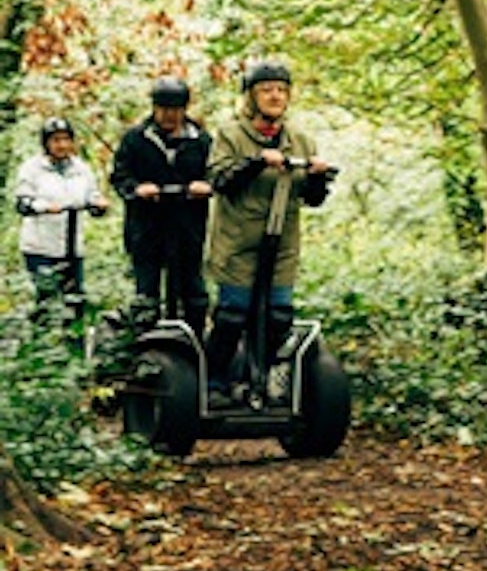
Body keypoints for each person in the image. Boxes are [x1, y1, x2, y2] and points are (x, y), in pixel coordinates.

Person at [203, 60, 333, 408]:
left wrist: (318, 176)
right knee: (232, 315)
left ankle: (267, 380)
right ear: (251, 96)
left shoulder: (300, 140)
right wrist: (257, 161)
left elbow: (313, 198)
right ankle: (215, 382)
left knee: (278, 316)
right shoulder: (230, 134)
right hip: (238, 241)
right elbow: (220, 181)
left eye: (281, 90)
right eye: (267, 90)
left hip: (282, 242)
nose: (275, 96)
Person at [109, 76, 214, 338]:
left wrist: (205, 186)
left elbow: (216, 174)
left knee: (193, 290)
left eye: (176, 110)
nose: (170, 116)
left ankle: (195, 343)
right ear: (154, 108)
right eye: (164, 109)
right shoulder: (136, 139)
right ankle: (147, 346)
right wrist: (136, 189)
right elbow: (120, 176)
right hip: (147, 226)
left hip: (187, 225)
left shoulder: (200, 141)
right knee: (147, 291)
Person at [13, 116, 110, 324]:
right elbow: (22, 202)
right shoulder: (32, 169)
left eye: (66, 139)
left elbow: (91, 195)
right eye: (56, 140)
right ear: (46, 143)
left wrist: (98, 204)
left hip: (72, 245)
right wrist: (44, 207)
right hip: (40, 246)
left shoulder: (81, 168)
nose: (62, 145)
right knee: (46, 301)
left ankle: (74, 346)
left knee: (74, 302)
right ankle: (40, 345)